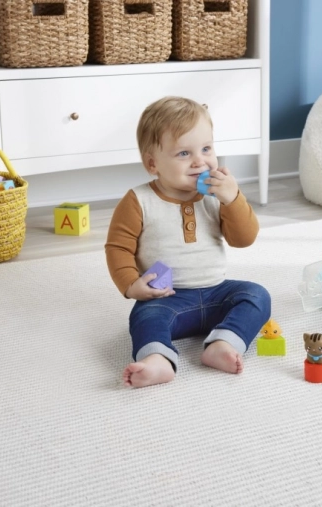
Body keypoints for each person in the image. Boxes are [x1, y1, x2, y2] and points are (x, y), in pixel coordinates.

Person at [105, 96, 271, 388]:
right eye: (184, 153)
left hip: (218, 292)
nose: (200, 161)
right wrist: (131, 284)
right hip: (166, 298)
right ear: (152, 164)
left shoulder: (218, 196)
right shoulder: (138, 200)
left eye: (206, 149)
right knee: (145, 316)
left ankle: (223, 343)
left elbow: (244, 239)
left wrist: (233, 199)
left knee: (257, 296)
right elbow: (118, 247)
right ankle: (157, 360)